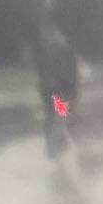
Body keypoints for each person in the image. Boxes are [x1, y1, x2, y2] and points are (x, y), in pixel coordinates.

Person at [35, 21, 80, 149]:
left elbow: (45, 71)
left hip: (54, 90)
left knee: (55, 117)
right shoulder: (63, 51)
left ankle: (56, 144)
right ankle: (56, 145)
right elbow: (70, 73)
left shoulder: (51, 50)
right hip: (58, 90)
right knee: (58, 117)